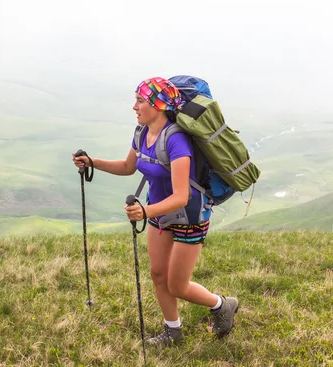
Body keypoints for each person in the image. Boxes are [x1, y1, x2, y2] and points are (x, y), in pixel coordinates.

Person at [72, 77, 238, 346]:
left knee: (177, 285)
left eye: (140, 101)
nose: (134, 107)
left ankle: (221, 305)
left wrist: (145, 211)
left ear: (158, 105)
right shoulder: (141, 134)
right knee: (158, 275)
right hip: (157, 214)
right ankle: (173, 331)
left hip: (189, 217)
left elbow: (182, 196)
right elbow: (128, 167)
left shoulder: (177, 141)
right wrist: (93, 162)